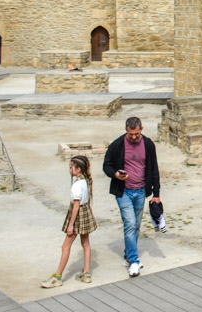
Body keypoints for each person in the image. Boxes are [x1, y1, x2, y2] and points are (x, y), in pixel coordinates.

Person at [103, 117, 161, 278]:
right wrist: (115, 174)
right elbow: (106, 165)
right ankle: (134, 261)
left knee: (135, 226)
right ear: (126, 130)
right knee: (129, 223)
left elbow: (154, 169)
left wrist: (156, 194)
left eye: (136, 134)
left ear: (142, 129)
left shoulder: (148, 144)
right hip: (124, 191)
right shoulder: (117, 145)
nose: (134, 137)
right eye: (131, 134)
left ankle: (128, 255)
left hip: (140, 190)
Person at [41, 155, 97, 288]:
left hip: (77, 216)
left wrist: (70, 225)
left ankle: (58, 277)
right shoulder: (86, 181)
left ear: (78, 169)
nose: (69, 170)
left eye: (71, 167)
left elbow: (76, 206)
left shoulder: (76, 185)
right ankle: (86, 273)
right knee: (85, 243)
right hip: (85, 213)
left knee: (65, 246)